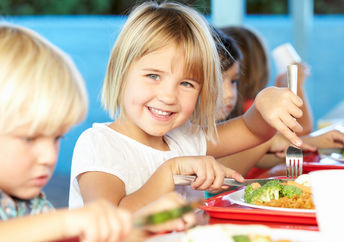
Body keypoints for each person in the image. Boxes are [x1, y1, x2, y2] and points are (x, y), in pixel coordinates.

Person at [69, 1, 305, 213]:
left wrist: (264, 103)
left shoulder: (184, 138)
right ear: (120, 74)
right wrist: (171, 171)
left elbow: (252, 130)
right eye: (153, 75)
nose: (169, 96)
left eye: (186, 83)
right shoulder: (99, 144)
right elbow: (110, 219)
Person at [0, 23, 195, 242]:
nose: (48, 156)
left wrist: (141, 224)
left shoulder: (31, 204)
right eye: (29, 138)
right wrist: (68, 222)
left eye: (56, 138)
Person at [218, 26, 344, 178]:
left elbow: (262, 153)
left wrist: (310, 142)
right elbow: (298, 130)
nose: (229, 93)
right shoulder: (251, 111)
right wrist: (294, 85)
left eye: (234, 81)